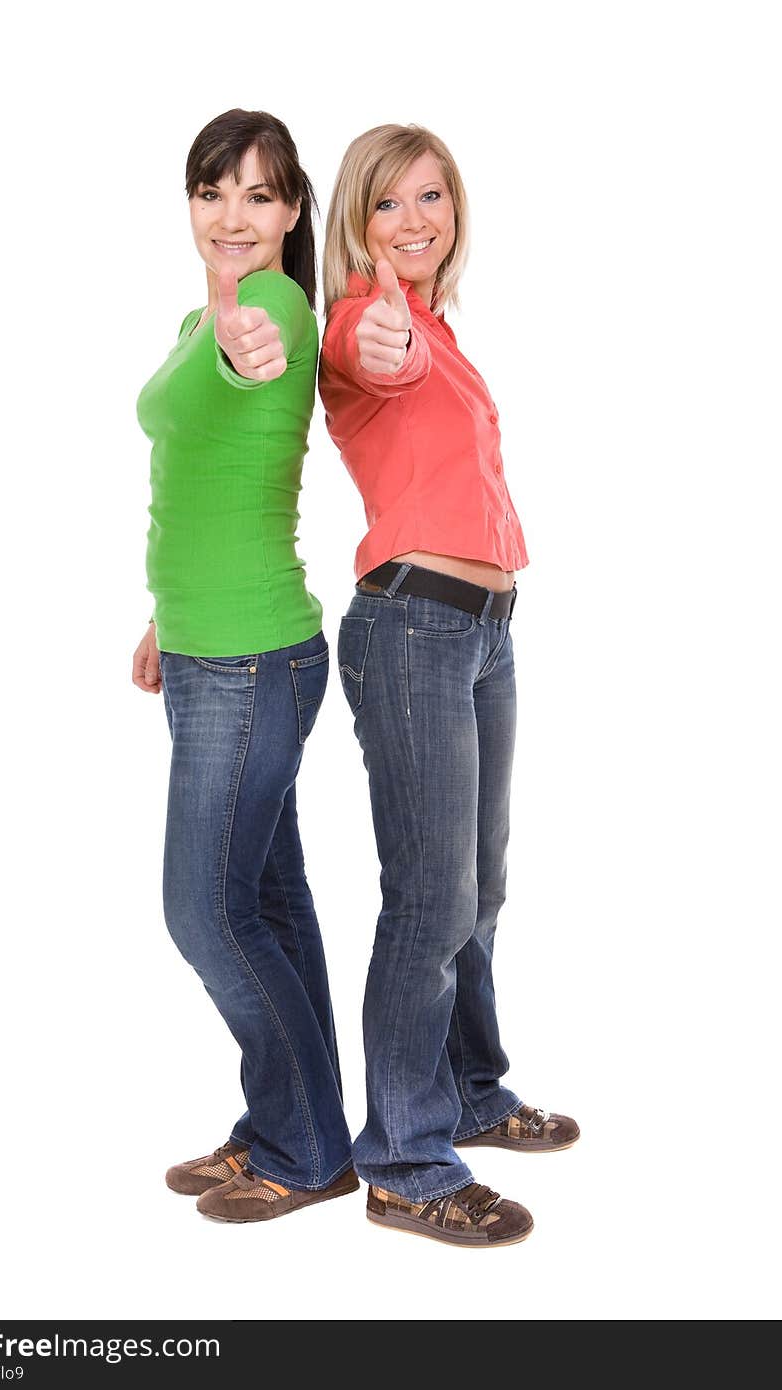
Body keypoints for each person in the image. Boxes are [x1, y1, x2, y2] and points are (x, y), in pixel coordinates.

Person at [319, 123, 579, 1247]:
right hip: (413, 627)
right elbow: (379, 356)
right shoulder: (358, 323)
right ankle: (406, 1162)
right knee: (428, 898)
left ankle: (469, 1090)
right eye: (387, 204)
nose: (414, 218)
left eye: (431, 195)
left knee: (478, 884)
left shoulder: (440, 325)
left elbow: (421, 356)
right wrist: (381, 335)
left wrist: (411, 332)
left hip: (485, 630)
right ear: (356, 222)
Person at [133, 109, 356, 1223]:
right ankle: (297, 1125)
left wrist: (238, 341)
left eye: (258, 195)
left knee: (205, 912)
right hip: (215, 646)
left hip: (249, 662)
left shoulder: (261, 309)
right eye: (213, 189)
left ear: (292, 211)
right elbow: (211, 474)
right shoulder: (203, 312)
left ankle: (304, 1143)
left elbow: (247, 360)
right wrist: (162, 618)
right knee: (267, 900)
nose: (231, 214)